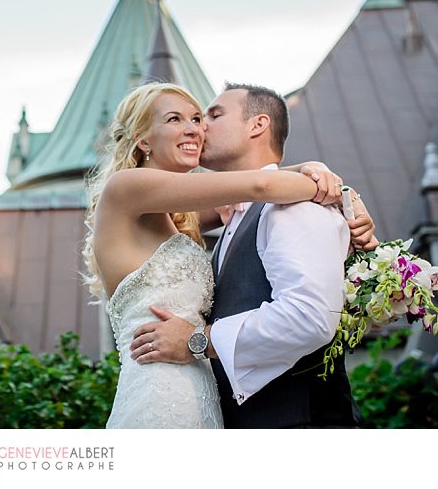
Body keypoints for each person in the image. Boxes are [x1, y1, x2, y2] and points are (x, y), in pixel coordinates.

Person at [83, 82, 374, 429]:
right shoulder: (126, 187)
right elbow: (261, 187)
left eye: (202, 117)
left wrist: (328, 186)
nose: (197, 128)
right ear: (144, 140)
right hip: (160, 391)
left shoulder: (178, 217)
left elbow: (248, 199)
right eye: (175, 119)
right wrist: (337, 193)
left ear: (258, 125)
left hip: (205, 394)